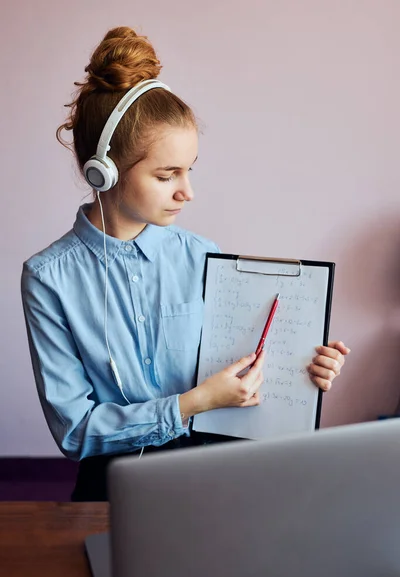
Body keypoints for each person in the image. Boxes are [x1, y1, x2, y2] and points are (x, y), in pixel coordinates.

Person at [21, 26, 350, 501]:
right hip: (113, 489)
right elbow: (75, 431)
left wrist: (304, 371)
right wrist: (194, 404)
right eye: (166, 174)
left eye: (189, 169)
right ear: (103, 170)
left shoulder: (202, 255)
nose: (186, 191)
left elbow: (242, 383)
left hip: (211, 477)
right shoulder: (48, 278)